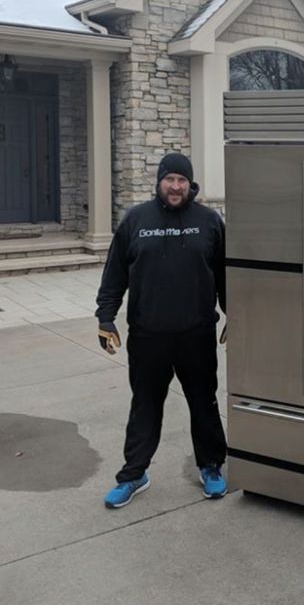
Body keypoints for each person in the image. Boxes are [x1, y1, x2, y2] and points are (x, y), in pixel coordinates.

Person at [96, 153, 228, 509]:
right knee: (145, 406)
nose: (175, 186)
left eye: (181, 180)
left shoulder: (209, 221)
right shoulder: (136, 220)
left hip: (197, 335)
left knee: (204, 403)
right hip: (148, 336)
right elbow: (114, 274)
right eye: (169, 179)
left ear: (190, 184)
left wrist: (237, 315)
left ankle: (211, 466)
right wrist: (105, 317)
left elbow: (225, 275)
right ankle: (133, 474)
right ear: (159, 182)